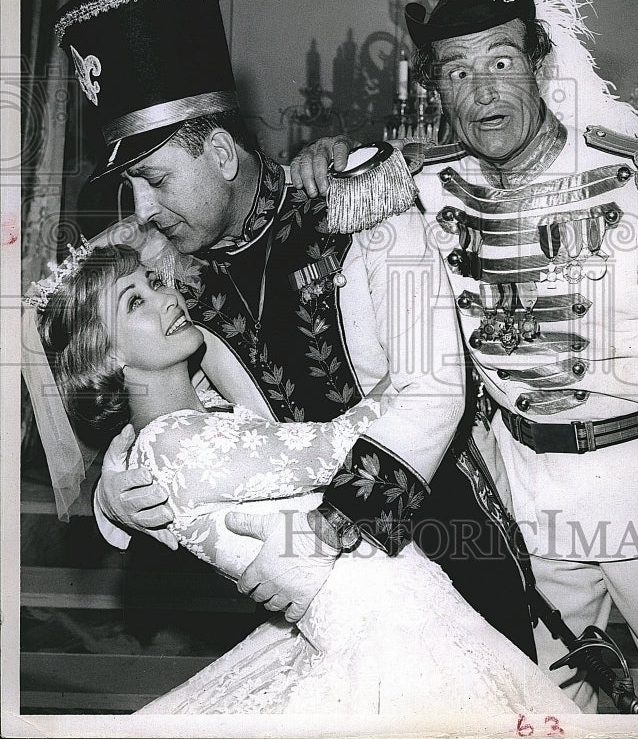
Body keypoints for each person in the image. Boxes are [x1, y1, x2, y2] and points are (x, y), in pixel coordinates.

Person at [290, 0, 638, 715]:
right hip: (517, 488)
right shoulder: (421, 183)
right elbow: (329, 199)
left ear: (538, 63)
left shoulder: (636, 182)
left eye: (500, 61)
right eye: (457, 71)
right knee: (551, 690)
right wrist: (323, 157)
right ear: (435, 88)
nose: (482, 90)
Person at [51, 0, 536, 656]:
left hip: (439, 525)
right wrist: (115, 494)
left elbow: (431, 387)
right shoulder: (159, 272)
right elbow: (139, 391)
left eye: (153, 180)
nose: (142, 212)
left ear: (219, 153)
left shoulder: (354, 200)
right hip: (313, 592)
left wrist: (335, 528)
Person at [22, 239, 578, 718]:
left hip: (390, 607)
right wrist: (430, 363)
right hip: (389, 628)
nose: (168, 296)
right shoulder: (175, 443)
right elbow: (338, 446)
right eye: (135, 300)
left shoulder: (184, 426)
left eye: (153, 282)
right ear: (107, 354)